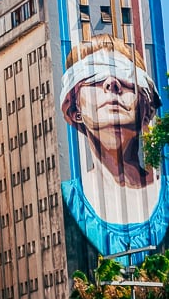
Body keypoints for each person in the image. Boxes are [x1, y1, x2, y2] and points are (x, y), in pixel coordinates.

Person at [60, 34, 166, 254]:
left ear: (146, 110)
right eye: (94, 78)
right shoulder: (66, 200)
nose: (111, 83)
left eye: (126, 77)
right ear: (74, 109)